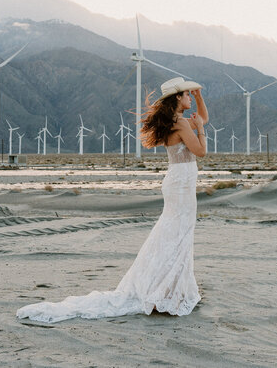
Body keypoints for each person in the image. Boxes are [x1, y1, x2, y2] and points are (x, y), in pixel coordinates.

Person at [16, 77, 208, 323]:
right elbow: (200, 150)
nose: (190, 97)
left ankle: (170, 287)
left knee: (175, 233)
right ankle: (165, 290)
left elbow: (204, 119)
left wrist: (200, 99)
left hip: (178, 181)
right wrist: (200, 129)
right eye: (187, 95)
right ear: (178, 99)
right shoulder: (180, 123)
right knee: (178, 233)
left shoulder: (175, 121)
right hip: (181, 184)